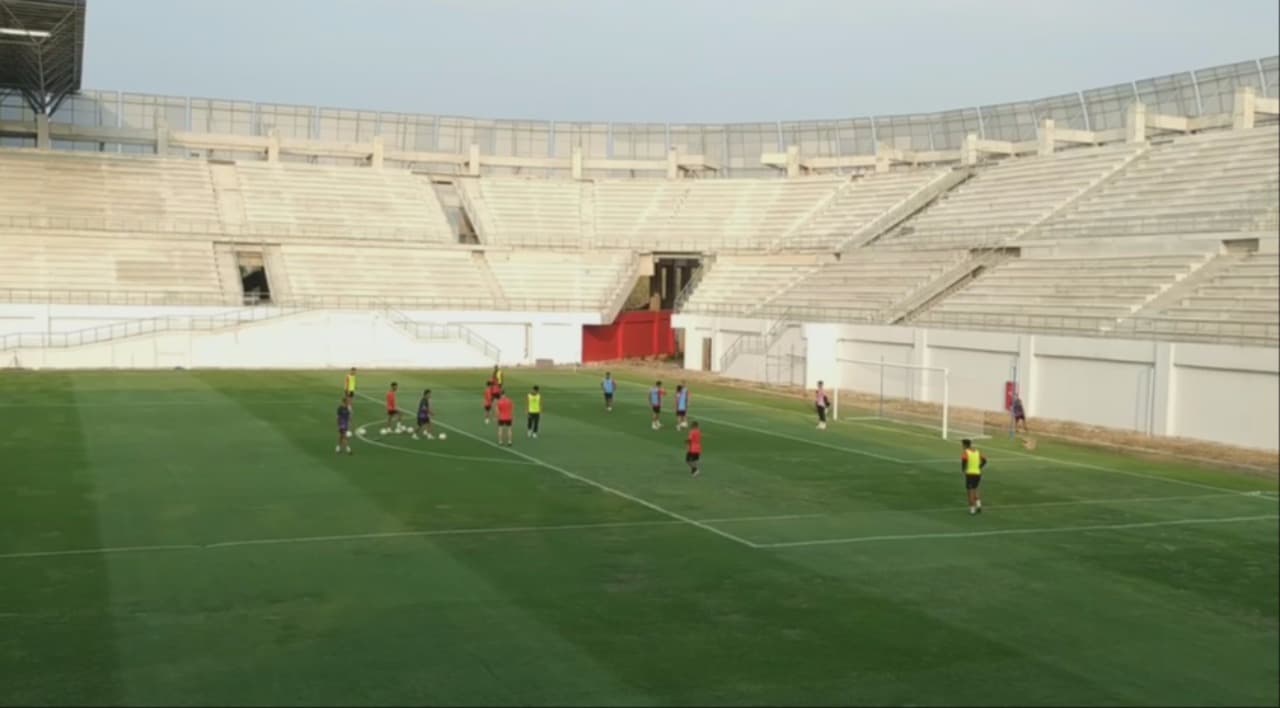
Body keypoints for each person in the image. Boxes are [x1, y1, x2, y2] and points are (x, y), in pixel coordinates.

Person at [961, 438, 988, 515]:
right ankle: (979, 505)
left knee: (970, 492)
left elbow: (964, 463)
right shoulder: (977, 452)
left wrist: (963, 470)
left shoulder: (965, 453)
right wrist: (979, 467)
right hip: (977, 473)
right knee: (975, 489)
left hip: (970, 474)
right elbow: (985, 460)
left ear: (965, 445)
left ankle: (972, 509)